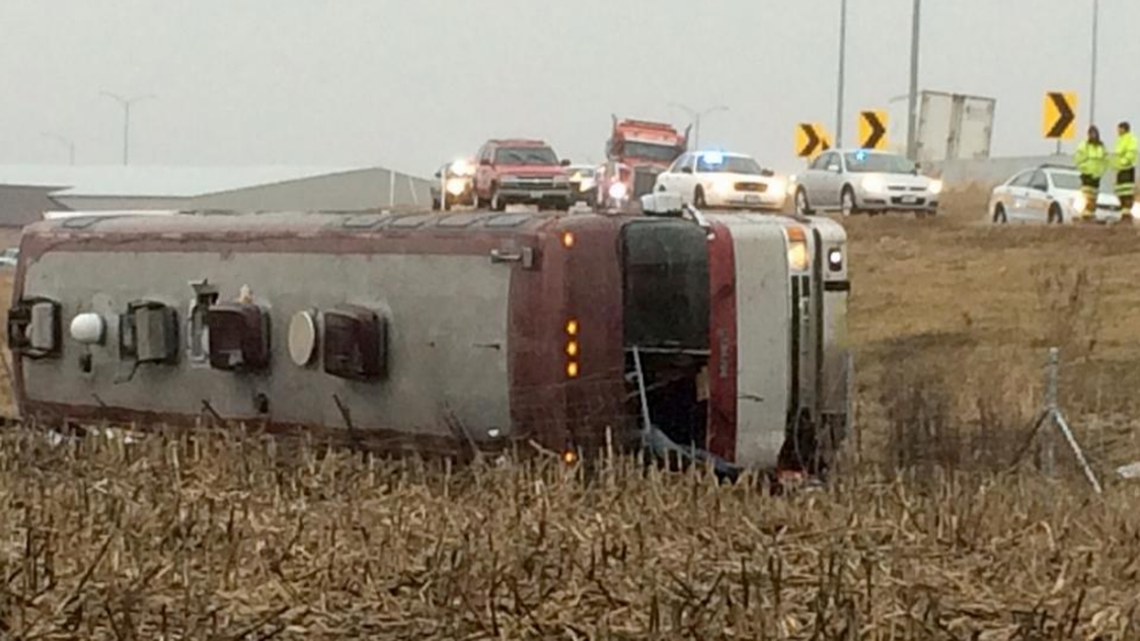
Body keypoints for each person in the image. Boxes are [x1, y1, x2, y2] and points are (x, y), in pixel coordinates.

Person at [1074, 126, 1109, 222]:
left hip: (1097, 176)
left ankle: (1091, 214)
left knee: (1094, 196)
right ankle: (1085, 215)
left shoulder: (1101, 147)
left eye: (1094, 133)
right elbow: (1078, 159)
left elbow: (1105, 161)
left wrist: (1101, 172)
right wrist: (1084, 168)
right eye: (1090, 133)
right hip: (1087, 175)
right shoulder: (1084, 145)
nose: (1092, 135)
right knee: (1086, 195)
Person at [1115, 121, 1137, 222]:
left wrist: (1124, 162)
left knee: (1127, 192)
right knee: (1121, 192)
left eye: (1119, 128)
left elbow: (1131, 153)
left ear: (1124, 129)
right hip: (1120, 170)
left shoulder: (1130, 139)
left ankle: (1127, 214)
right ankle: (1124, 214)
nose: (1118, 131)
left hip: (1127, 169)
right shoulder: (1120, 140)